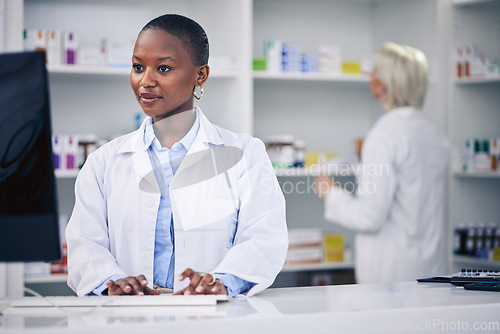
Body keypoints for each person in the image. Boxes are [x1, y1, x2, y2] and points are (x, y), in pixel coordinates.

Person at [66, 14, 288, 297]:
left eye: (164, 68)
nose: (145, 81)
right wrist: (112, 283)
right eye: (138, 67)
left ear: (200, 75)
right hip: (128, 316)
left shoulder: (246, 154)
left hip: (214, 316)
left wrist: (222, 283)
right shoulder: (104, 162)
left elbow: (264, 237)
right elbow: (85, 244)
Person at [314, 42, 448, 284]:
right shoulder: (435, 133)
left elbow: (369, 217)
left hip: (392, 275)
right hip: (431, 267)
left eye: (374, 71)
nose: (371, 77)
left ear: (380, 85)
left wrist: (330, 192)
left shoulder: (385, 133)